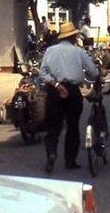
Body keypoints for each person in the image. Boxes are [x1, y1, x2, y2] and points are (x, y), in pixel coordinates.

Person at [38, 21, 98, 172]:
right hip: (72, 91)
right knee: (73, 126)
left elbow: (42, 72)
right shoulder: (79, 52)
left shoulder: (50, 51)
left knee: (53, 126)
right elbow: (93, 72)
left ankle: (51, 153)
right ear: (73, 37)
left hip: (54, 90)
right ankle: (70, 160)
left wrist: (56, 85)